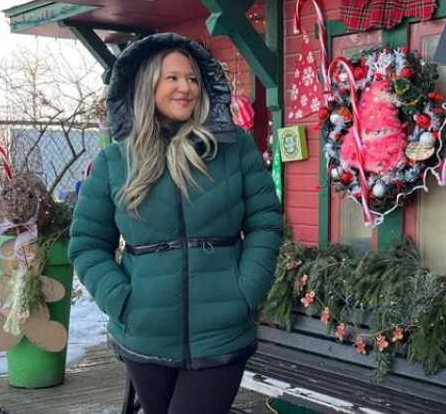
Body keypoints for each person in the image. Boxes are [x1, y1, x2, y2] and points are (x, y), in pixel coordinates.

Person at [69, 33, 284, 414]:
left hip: (221, 331)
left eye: (193, 78)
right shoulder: (115, 161)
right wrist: (122, 301)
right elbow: (87, 244)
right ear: (148, 84)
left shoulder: (234, 147)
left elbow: (266, 221)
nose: (186, 87)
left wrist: (245, 291)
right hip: (144, 332)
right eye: (173, 78)